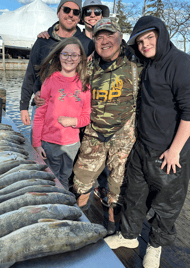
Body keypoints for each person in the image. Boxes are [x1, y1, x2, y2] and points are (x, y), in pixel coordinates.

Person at [104, 16, 190, 268]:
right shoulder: (145, 60)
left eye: (150, 38)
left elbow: (189, 113)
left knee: (166, 205)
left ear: (161, 35)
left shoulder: (181, 64)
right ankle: (128, 236)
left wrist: (175, 151)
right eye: (140, 41)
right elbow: (114, 50)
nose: (144, 45)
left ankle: (155, 245)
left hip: (170, 152)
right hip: (142, 146)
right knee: (134, 195)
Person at [71, 17, 142, 235]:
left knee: (117, 189)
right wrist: (41, 95)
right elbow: (67, 87)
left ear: (120, 38)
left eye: (110, 36)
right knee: (81, 182)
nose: (105, 41)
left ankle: (112, 230)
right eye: (100, 37)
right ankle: (80, 227)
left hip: (124, 136)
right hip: (94, 134)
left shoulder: (135, 66)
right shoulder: (87, 66)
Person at [20, 0, 94, 144]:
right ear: (58, 12)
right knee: (39, 155)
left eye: (76, 12)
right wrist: (24, 107)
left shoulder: (87, 44)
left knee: (66, 156)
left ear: (79, 18)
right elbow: (31, 74)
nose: (71, 15)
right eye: (66, 10)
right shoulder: (43, 40)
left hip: (72, 112)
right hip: (43, 106)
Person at [32, 37, 91, 190]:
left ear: (80, 59)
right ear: (59, 56)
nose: (69, 58)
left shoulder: (85, 84)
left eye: (74, 55)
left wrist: (72, 121)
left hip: (72, 145)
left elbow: (87, 116)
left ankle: (62, 204)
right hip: (49, 143)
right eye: (65, 54)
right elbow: (39, 115)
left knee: (64, 177)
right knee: (49, 178)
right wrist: (36, 143)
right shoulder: (50, 80)